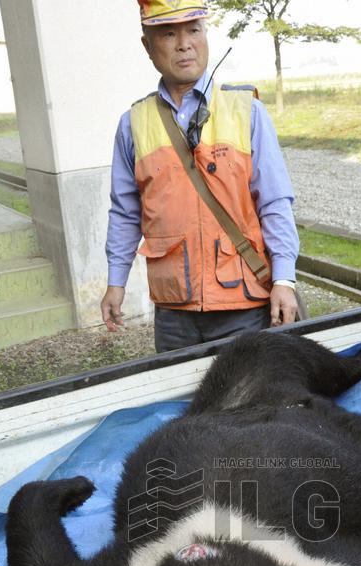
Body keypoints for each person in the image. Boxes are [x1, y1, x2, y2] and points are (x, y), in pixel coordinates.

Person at [101, 0, 299, 353]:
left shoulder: (246, 111)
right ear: (147, 46)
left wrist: (284, 279)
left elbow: (274, 202)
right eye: (168, 33)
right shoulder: (133, 124)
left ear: (206, 34)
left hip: (242, 303)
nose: (184, 43)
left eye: (194, 29)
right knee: (183, 405)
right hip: (173, 312)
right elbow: (125, 212)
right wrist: (115, 281)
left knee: (245, 404)